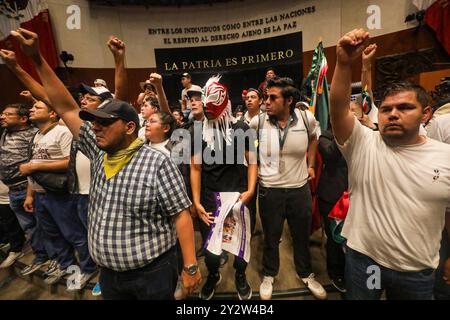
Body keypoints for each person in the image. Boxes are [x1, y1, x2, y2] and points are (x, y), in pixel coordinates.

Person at [11, 27, 201, 299]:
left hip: (152, 274)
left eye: (104, 123)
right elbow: (64, 106)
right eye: (94, 122)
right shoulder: (98, 152)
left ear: (129, 127)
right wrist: (36, 58)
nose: (96, 128)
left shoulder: (157, 162)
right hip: (110, 276)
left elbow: (181, 214)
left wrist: (191, 267)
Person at [330, 28, 450, 300]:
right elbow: (338, 108)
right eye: (385, 109)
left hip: (416, 269)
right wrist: (344, 63)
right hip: (365, 263)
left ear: (426, 114)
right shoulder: (363, 142)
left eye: (405, 108)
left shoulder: (445, 157)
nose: (393, 114)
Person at [250, 77, 326, 300]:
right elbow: (248, 150)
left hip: (298, 189)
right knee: (271, 237)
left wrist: (311, 164)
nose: (267, 102)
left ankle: (306, 273)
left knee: (300, 235)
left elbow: (314, 138)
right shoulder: (258, 122)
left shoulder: (305, 117)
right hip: (269, 190)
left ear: (289, 100)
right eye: (265, 97)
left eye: (273, 98)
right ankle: (269, 274)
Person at [190, 76, 257, 300]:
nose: (207, 112)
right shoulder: (197, 132)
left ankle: (240, 274)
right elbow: (196, 168)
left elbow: (253, 162)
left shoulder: (240, 127)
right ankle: (213, 274)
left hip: (239, 196)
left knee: (240, 246)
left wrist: (250, 190)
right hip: (210, 198)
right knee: (210, 250)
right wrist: (197, 201)